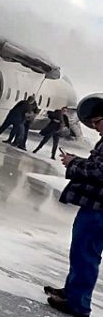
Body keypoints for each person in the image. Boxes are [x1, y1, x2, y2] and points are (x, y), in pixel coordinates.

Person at [44, 94, 103, 317]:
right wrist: (78, 161)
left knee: (86, 255)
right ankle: (72, 291)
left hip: (98, 210)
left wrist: (74, 163)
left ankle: (78, 304)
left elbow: (100, 172)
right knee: (80, 252)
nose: (95, 128)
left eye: (97, 122)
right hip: (94, 206)